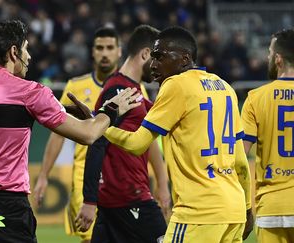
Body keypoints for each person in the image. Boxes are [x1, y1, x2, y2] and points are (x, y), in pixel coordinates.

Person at [0, 20, 140, 243]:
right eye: (26, 48)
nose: (29, 57)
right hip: (7, 206)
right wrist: (111, 110)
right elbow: (88, 134)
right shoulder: (30, 92)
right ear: (14, 52)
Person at [102, 26, 253, 242]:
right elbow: (240, 161)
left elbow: (137, 144)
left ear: (184, 59)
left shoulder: (176, 85)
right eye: (152, 57)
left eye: (160, 57)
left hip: (199, 211)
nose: (153, 64)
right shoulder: (226, 88)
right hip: (234, 209)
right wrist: (247, 208)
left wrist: (100, 125)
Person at [75, 25, 169, 243]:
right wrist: (89, 200)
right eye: (157, 58)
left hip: (115, 201)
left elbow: (151, 135)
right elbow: (97, 142)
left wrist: (162, 185)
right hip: (129, 196)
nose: (158, 66)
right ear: (145, 54)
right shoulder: (118, 91)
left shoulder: (132, 92)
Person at [33, 26, 122, 243]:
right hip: (85, 175)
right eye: (99, 48)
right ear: (92, 52)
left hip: (121, 174)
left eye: (110, 48)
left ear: (119, 51)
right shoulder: (76, 86)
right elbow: (57, 133)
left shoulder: (132, 87)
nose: (104, 53)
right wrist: (44, 175)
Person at [241, 29, 294, 243]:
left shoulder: (255, 98)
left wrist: (244, 208)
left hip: (271, 207)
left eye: (270, 52)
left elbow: (241, 158)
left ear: (278, 59)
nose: (268, 57)